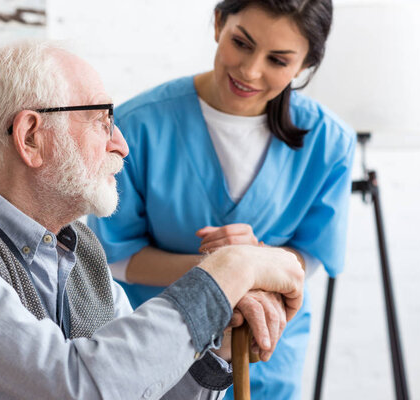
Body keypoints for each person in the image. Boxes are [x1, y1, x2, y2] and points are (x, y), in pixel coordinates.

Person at [0, 40, 304, 400]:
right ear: (31, 137)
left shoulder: (77, 247)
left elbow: (138, 387)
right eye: (102, 121)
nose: (121, 144)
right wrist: (227, 273)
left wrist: (218, 342)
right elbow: (75, 388)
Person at [88, 1, 356, 399]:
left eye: (278, 60)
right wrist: (227, 271)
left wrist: (257, 265)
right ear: (218, 23)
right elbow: (115, 255)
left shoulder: (330, 142)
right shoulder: (137, 125)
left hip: (267, 354)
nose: (250, 71)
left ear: (304, 65)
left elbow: (312, 254)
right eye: (241, 43)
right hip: (162, 347)